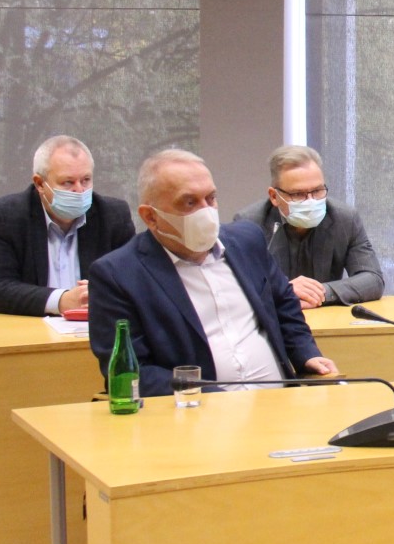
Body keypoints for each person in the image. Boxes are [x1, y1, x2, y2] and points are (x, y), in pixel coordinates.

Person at [88, 149, 337, 396]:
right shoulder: (118, 275)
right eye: (189, 202)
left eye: (211, 198)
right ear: (151, 217)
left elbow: (283, 303)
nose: (205, 211)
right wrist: (209, 395)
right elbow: (132, 372)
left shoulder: (247, 240)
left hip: (279, 401)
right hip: (198, 411)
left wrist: (306, 353)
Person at [0, 135, 135, 316]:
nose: (79, 190)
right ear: (40, 184)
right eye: (68, 182)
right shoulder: (5, 216)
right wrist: (61, 300)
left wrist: (105, 293)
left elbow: (134, 280)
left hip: (94, 329)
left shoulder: (113, 215)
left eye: (85, 180)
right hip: (28, 329)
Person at [232, 145, 386, 308]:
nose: (311, 201)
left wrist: (323, 292)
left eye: (318, 190)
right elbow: (236, 287)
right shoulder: (248, 224)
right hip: (274, 320)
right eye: (298, 194)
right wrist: (284, 291)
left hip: (325, 317)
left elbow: (373, 279)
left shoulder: (344, 219)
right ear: (274, 196)